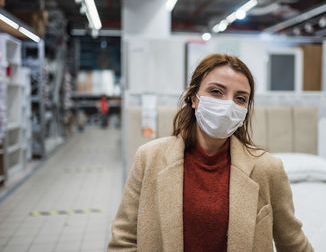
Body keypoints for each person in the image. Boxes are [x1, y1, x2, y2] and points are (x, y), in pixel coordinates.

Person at [108, 53, 313, 252]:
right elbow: (124, 240)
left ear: (245, 112)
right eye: (216, 92)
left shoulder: (267, 168)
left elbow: (293, 243)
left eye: (240, 98)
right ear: (194, 98)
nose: (227, 105)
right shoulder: (149, 158)